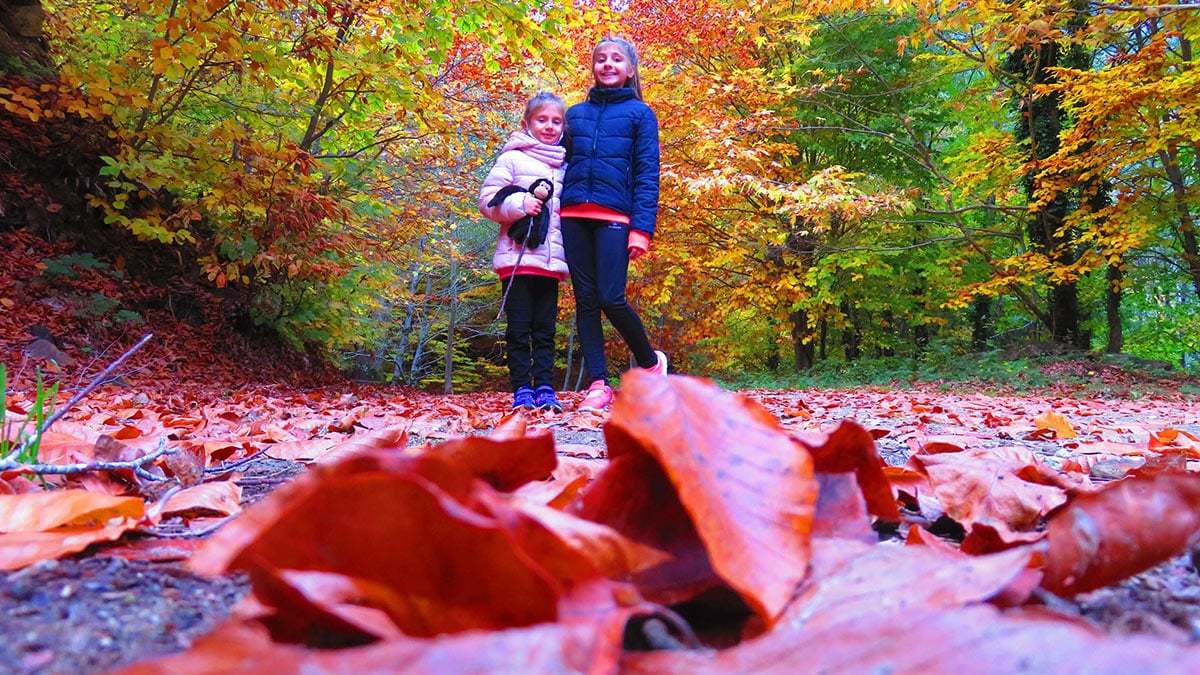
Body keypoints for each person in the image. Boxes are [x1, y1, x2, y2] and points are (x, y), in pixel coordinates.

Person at [560, 37, 668, 413]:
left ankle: (651, 364)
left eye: (616, 59)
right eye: (601, 59)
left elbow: (646, 175)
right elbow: (554, 159)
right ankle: (598, 383)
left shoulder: (641, 115)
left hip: (615, 218)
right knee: (586, 301)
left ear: (630, 69)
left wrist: (642, 228)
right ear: (593, 67)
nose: (607, 64)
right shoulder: (574, 114)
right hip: (572, 216)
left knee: (611, 297)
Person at [479, 92, 569, 412]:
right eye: (541, 120)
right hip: (517, 259)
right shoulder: (512, 158)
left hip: (549, 262)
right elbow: (488, 198)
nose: (549, 126)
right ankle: (521, 389)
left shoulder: (564, 163)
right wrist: (520, 204)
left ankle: (545, 387)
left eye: (556, 121)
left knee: (545, 329)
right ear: (527, 123)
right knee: (519, 327)